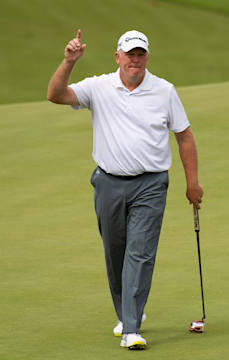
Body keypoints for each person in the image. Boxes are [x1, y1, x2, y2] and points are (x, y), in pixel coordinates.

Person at [47, 29, 203, 350]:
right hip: (108, 182)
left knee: (140, 253)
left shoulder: (164, 91)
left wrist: (192, 182)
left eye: (141, 54)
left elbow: (184, 135)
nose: (135, 59)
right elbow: (55, 94)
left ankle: (131, 328)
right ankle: (128, 313)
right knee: (115, 253)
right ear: (117, 57)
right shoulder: (98, 86)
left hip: (151, 184)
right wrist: (68, 62)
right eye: (129, 54)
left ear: (147, 57)